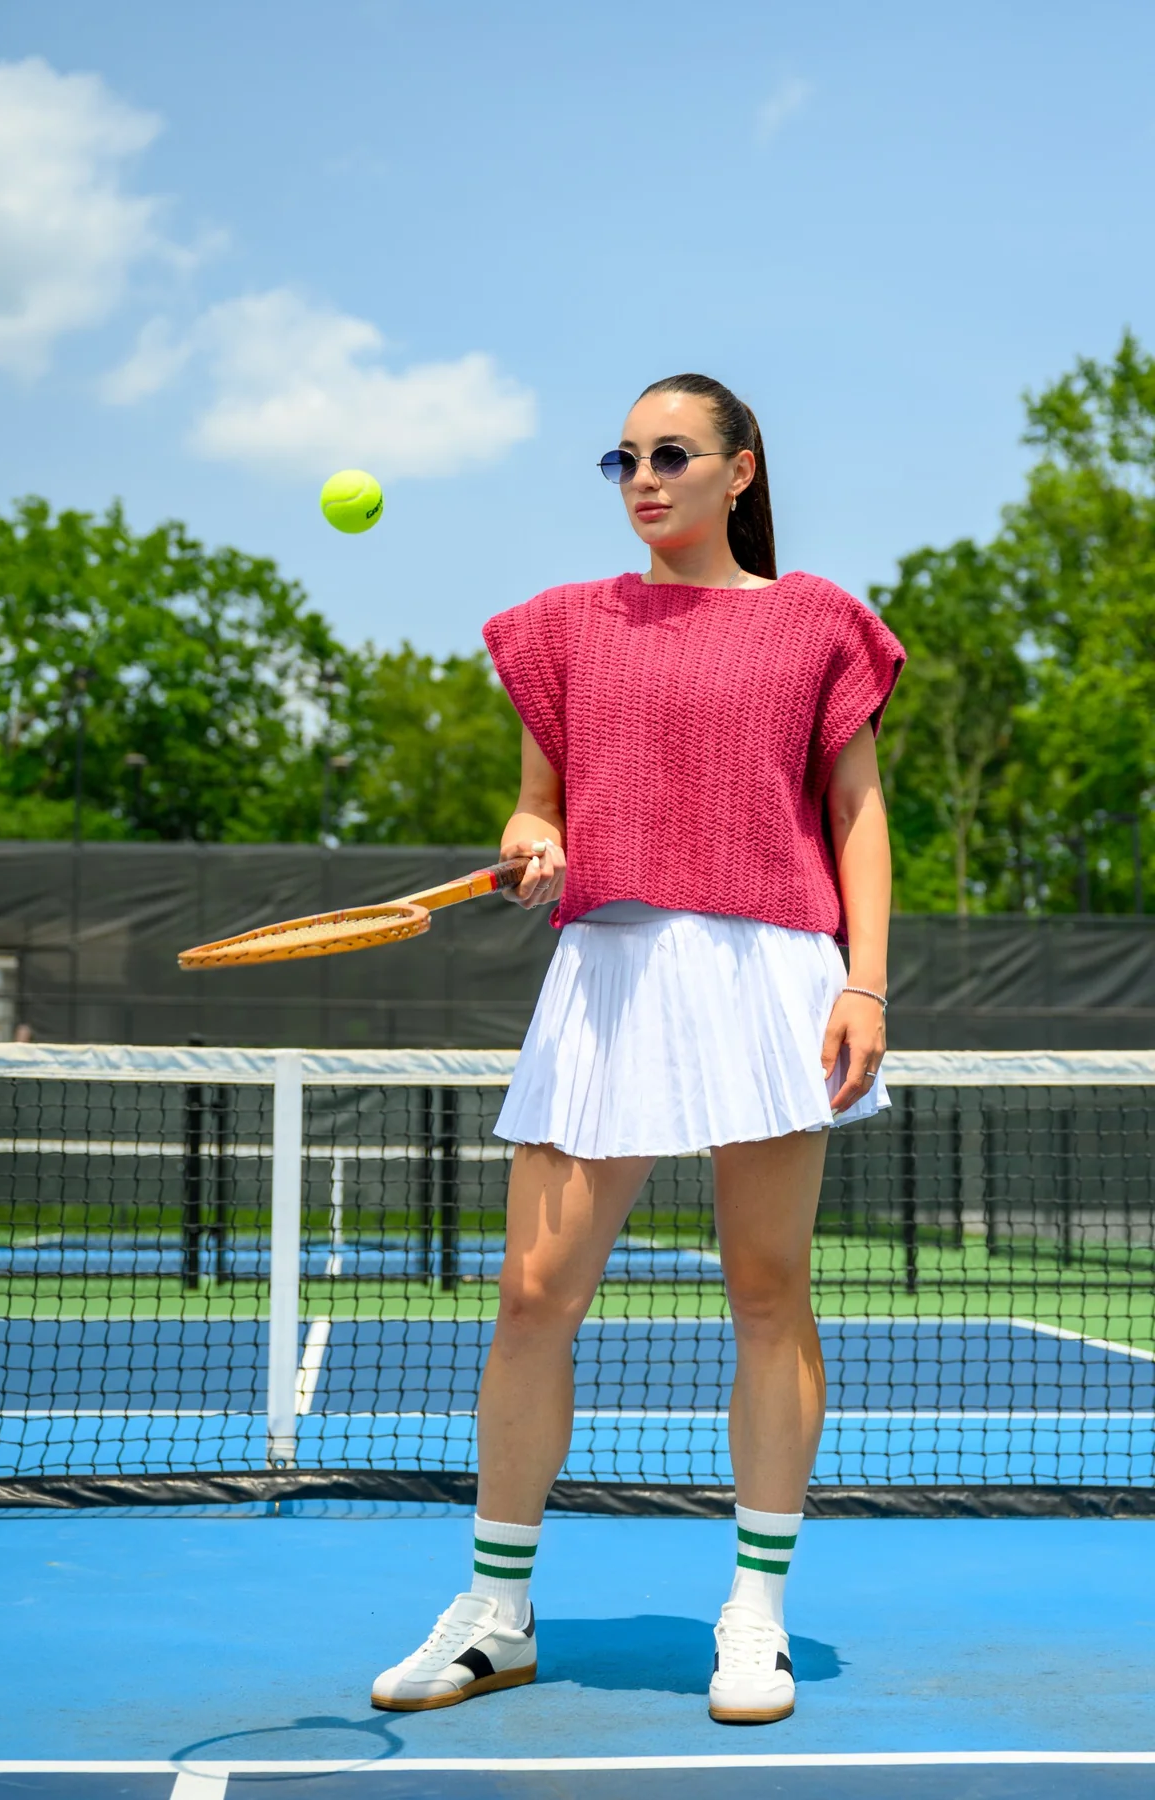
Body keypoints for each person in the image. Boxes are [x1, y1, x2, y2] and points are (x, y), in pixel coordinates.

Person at [372, 372, 906, 1725]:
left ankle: (757, 1615)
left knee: (769, 1290)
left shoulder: (816, 621)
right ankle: (495, 1614)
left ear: (741, 470)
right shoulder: (563, 630)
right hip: (607, 972)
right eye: (623, 459)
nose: (644, 478)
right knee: (533, 1293)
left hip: (774, 971)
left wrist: (869, 988)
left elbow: (857, 813)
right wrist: (528, 847)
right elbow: (532, 809)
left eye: (672, 454)